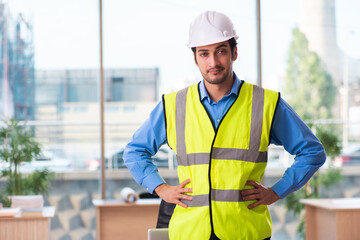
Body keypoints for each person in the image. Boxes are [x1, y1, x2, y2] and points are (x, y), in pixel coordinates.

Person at [124, 11, 326, 240]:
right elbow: (134, 151)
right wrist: (160, 188)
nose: (213, 62)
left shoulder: (265, 103)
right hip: (191, 232)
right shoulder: (173, 105)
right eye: (204, 54)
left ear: (234, 53)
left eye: (221, 51)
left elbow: (312, 152)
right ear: (195, 58)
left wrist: (276, 192)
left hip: (245, 231)